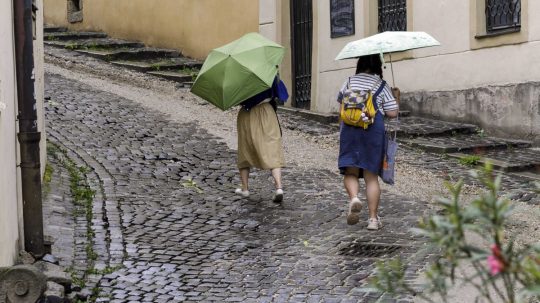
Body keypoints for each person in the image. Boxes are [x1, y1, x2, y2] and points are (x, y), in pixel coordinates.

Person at [336, 54, 399, 230]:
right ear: (378, 66)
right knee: (371, 177)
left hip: (349, 131)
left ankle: (354, 198)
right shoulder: (381, 84)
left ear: (360, 63)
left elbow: (340, 105)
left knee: (351, 171)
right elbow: (392, 113)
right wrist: (395, 97)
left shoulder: (348, 81)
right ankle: (372, 219)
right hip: (372, 132)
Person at [234, 76, 289, 202]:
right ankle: (279, 187)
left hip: (247, 114)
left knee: (245, 149)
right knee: (272, 147)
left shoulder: (239, 77)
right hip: (266, 112)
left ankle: (245, 189)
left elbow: (236, 99)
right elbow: (282, 93)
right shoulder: (268, 72)